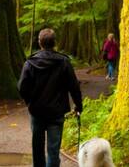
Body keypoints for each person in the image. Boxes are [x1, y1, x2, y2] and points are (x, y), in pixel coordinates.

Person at [19, 28, 83, 167]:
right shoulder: (64, 62)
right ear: (55, 43)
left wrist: (29, 102)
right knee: (53, 150)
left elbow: (22, 88)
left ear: (40, 43)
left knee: (37, 149)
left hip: (37, 112)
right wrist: (79, 106)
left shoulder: (30, 63)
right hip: (56, 112)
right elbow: (74, 87)